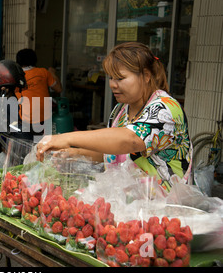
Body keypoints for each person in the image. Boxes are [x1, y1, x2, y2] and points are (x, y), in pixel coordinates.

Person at [36, 42, 193, 192]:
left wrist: (66, 138)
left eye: (120, 78)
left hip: (165, 209)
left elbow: (130, 140)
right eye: (111, 77)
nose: (112, 84)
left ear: (146, 75)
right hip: (131, 205)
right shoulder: (121, 110)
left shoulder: (165, 108)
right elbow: (114, 152)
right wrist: (74, 153)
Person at [15, 48, 62, 138]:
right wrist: (52, 73)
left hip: (25, 120)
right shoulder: (44, 72)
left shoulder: (15, 76)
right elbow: (59, 89)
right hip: (44, 119)